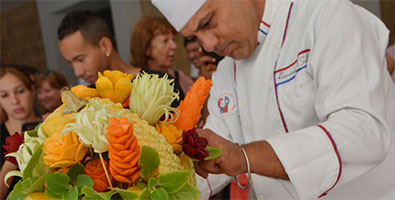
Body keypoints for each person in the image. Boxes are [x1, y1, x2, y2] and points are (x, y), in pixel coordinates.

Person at [153, 0, 395, 199]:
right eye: (194, 36)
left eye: (208, 22)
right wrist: (152, 186)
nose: (207, 45)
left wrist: (244, 156)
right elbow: (215, 158)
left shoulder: (326, 15)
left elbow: (364, 131)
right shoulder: (226, 72)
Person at [57, 10, 141, 85]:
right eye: (70, 63)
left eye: (80, 59)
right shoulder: (87, 98)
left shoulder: (152, 82)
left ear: (105, 46)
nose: (77, 72)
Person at [0, 66, 42, 199]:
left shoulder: (49, 126)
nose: (14, 101)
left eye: (20, 91)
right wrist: (11, 163)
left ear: (32, 90)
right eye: (4, 95)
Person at [130, 15, 194, 100]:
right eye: (165, 41)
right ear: (147, 48)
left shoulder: (180, 78)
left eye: (173, 40)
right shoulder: (135, 84)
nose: (174, 46)